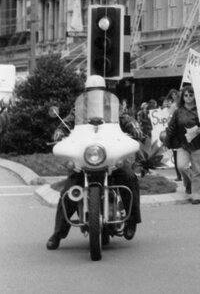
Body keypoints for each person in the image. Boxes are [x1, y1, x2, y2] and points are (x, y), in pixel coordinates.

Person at [47, 76, 143, 250]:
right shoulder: (79, 109)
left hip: (110, 158)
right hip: (86, 159)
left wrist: (133, 126)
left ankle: (131, 222)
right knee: (69, 191)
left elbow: (125, 118)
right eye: (91, 92)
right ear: (86, 92)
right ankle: (58, 234)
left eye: (98, 91)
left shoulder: (113, 107)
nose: (95, 95)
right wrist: (60, 131)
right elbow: (67, 122)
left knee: (129, 177)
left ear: (104, 91)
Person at [164, 84, 200, 204]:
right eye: (186, 95)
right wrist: (167, 141)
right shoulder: (178, 111)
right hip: (182, 143)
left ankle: (197, 196)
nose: (188, 97)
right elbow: (171, 127)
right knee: (181, 166)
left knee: (198, 170)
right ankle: (189, 183)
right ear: (182, 97)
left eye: (191, 95)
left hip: (197, 143)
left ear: (195, 96)